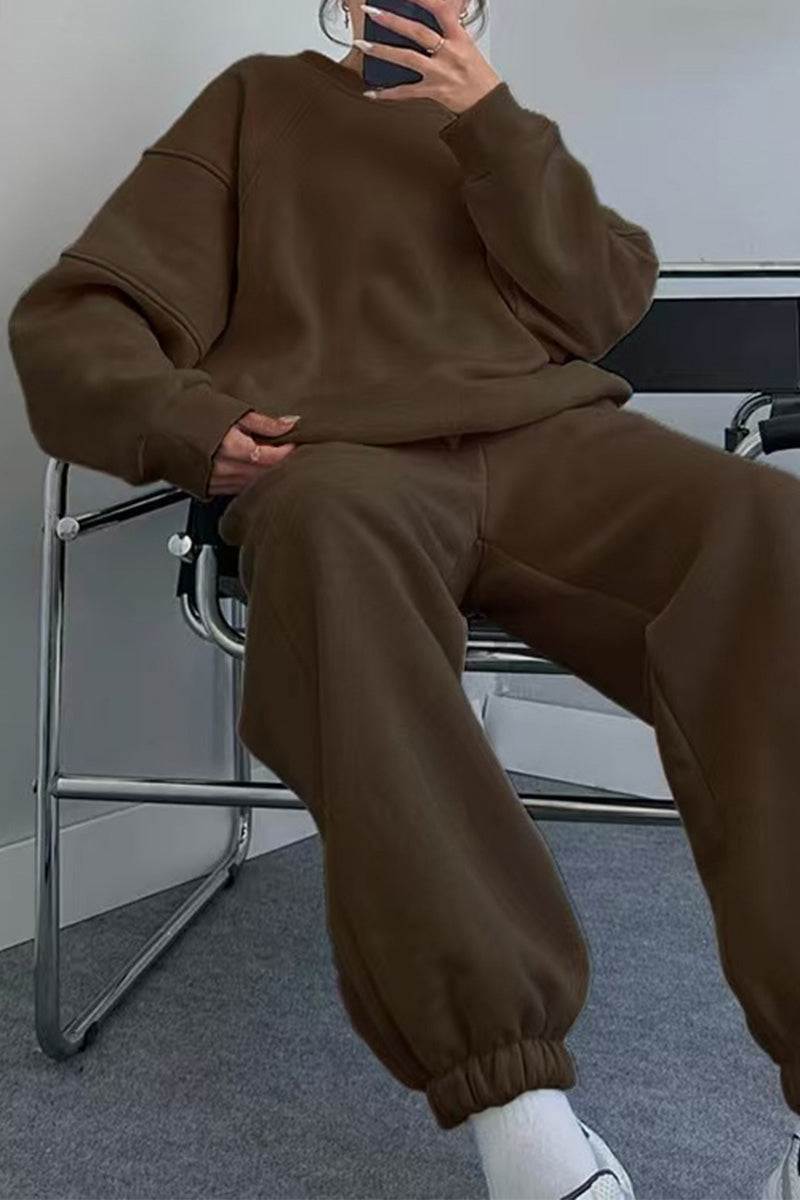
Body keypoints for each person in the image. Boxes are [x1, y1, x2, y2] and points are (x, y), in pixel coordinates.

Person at [7, 2, 800, 1197]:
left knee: (766, 528)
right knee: (327, 535)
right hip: (342, 463)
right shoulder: (257, 102)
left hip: (550, 448)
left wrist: (490, 124)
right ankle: (517, 1115)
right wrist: (185, 421)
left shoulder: (499, 127)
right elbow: (75, 315)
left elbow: (603, 305)